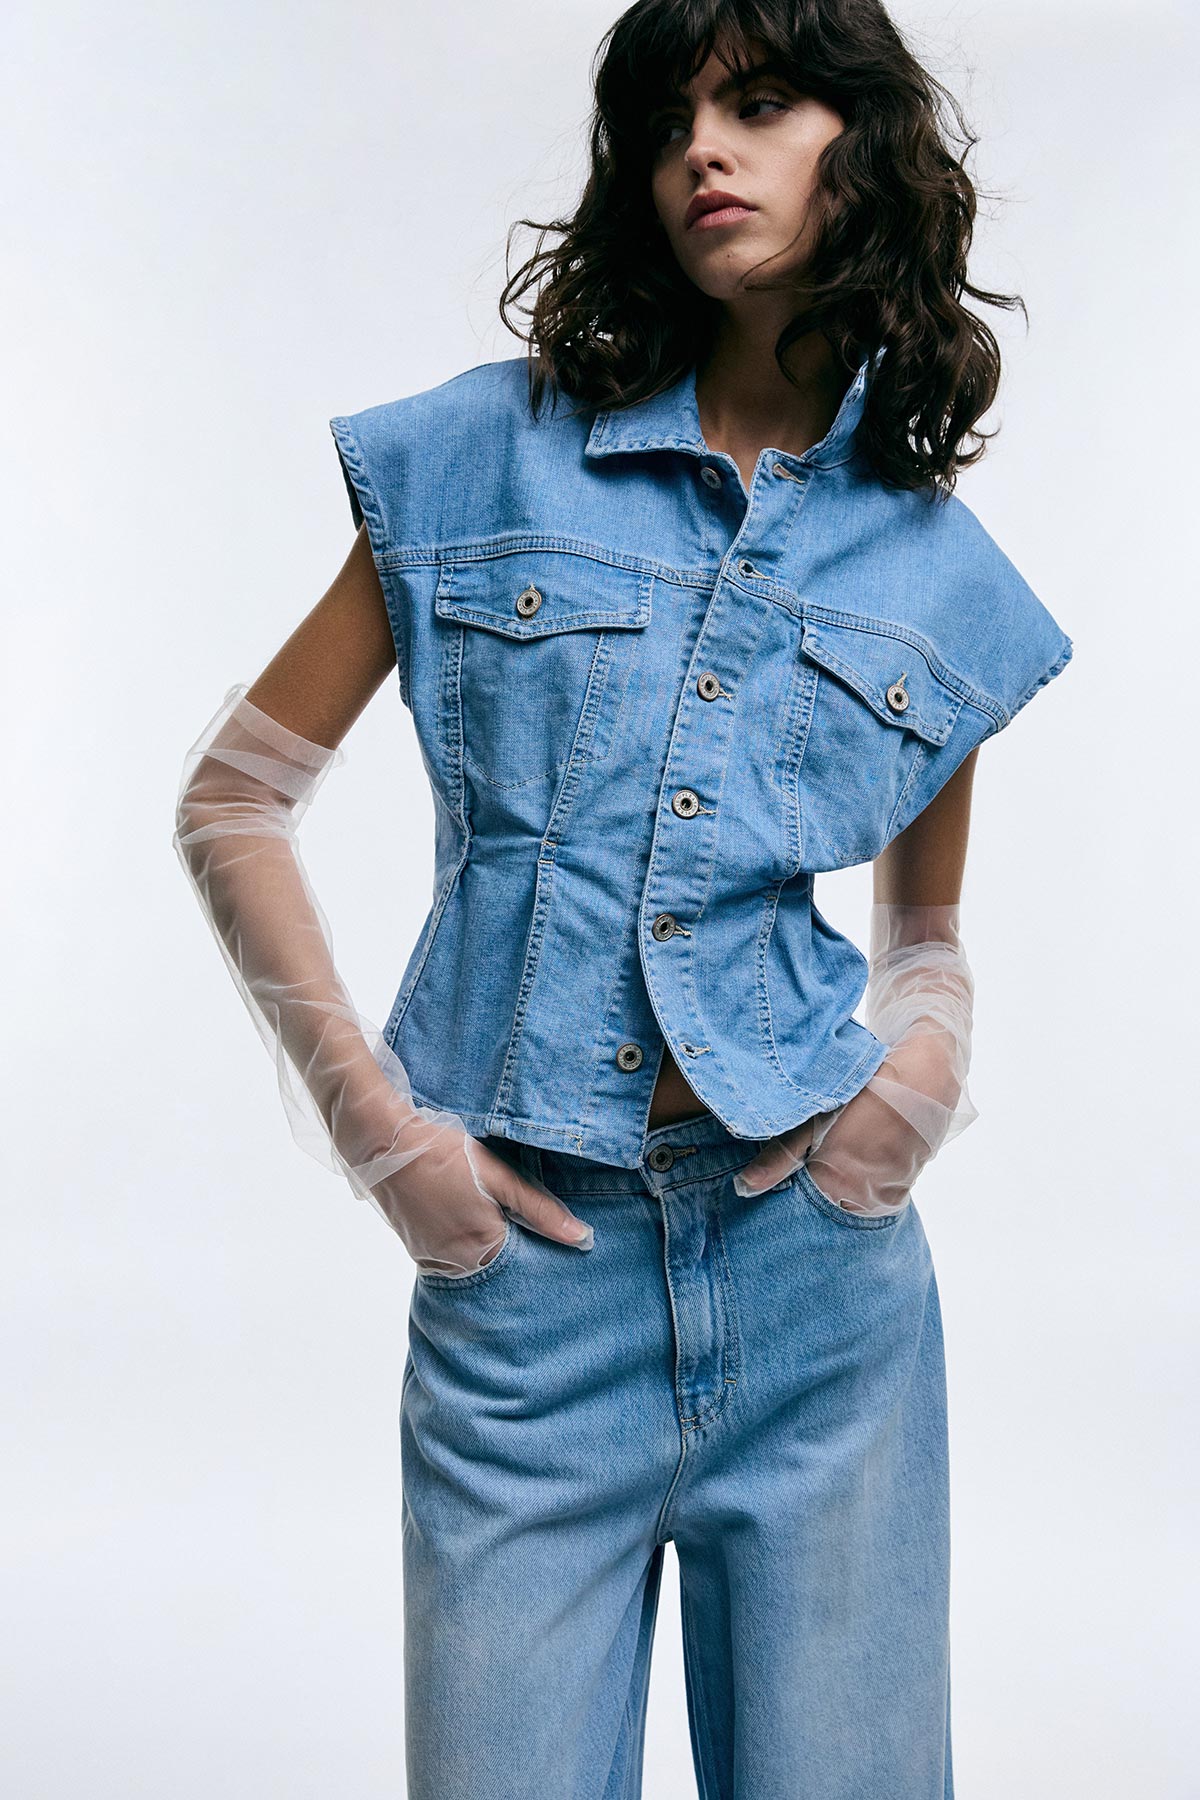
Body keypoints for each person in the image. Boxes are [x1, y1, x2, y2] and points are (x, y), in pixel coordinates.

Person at [173, 2, 1073, 1794]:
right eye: (668, 123)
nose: (702, 155)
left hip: (826, 1299)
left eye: (757, 104)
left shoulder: (938, 569)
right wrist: (379, 1128)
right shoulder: (472, 459)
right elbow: (235, 802)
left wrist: (915, 1088)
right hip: (530, 1299)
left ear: (868, 142)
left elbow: (925, 935)